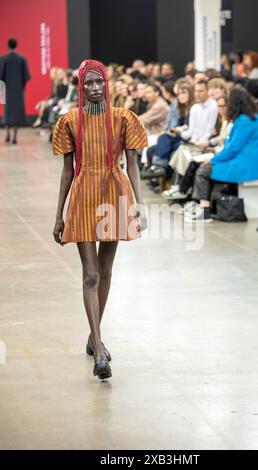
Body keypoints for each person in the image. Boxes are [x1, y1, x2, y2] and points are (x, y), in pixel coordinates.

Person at [52, 59, 148, 381]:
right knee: (90, 274)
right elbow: (67, 171)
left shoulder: (123, 119)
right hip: (82, 196)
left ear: (106, 83)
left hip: (113, 195)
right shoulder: (70, 121)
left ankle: (95, 338)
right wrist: (59, 215)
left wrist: (140, 204)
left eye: (99, 82)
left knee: (106, 271)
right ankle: (100, 348)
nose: (94, 88)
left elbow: (132, 164)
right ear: (81, 86)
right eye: (88, 83)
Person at [184, 87, 258, 222]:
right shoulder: (252, 118)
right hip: (247, 161)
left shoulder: (244, 121)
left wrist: (213, 160)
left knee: (203, 171)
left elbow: (232, 148)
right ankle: (204, 207)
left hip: (247, 164)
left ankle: (204, 212)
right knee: (206, 169)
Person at [0, 38, 30, 144]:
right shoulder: (22, 59)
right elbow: (26, 76)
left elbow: (0, 77)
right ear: (16, 45)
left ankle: (8, 133)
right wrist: (22, 87)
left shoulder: (3, 59)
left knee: (7, 112)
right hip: (18, 90)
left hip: (6, 89)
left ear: (8, 45)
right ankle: (15, 136)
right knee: (16, 112)